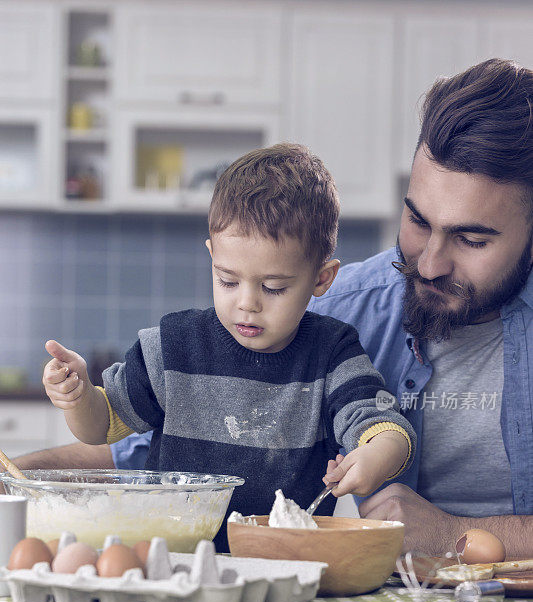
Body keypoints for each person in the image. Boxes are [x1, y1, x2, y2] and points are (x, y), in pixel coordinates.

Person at [41, 144, 415, 552]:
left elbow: (384, 427)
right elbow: (101, 427)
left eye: (274, 287)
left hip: (281, 560)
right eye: (228, 280)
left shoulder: (332, 352)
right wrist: (78, 398)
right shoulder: (174, 345)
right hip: (170, 556)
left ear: (322, 279)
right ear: (212, 256)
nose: (247, 303)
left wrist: (377, 455)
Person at [311, 58, 533, 557]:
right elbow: (182, 443)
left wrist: (450, 535)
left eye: (471, 239)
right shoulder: (339, 309)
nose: (429, 264)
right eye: (417, 220)